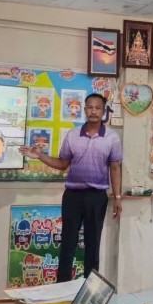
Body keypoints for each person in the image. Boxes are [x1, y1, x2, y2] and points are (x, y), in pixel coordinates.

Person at [18, 93, 122, 282]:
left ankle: (89, 290)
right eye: (90, 107)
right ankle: (62, 287)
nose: (93, 111)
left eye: (98, 108)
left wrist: (118, 197)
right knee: (67, 243)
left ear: (103, 111)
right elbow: (62, 164)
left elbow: (115, 168)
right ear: (84, 110)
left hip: (97, 197)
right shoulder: (72, 135)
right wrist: (40, 156)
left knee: (93, 244)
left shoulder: (112, 138)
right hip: (72, 196)